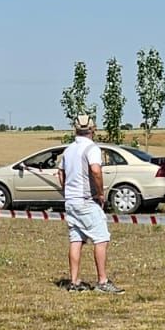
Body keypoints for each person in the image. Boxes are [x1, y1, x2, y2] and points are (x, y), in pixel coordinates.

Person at [57, 113, 120, 293]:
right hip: (86, 200)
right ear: (93, 129)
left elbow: (60, 173)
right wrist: (100, 193)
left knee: (76, 239)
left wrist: (66, 190)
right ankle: (102, 281)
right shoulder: (92, 148)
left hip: (71, 201)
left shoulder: (68, 150)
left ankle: (74, 282)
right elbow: (96, 170)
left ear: (75, 129)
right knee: (101, 238)